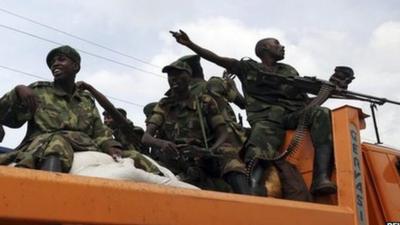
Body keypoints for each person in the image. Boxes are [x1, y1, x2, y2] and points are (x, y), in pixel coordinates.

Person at [170, 30, 341, 196]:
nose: (282, 47)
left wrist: (326, 92)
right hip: (267, 121)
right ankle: (253, 190)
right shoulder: (247, 68)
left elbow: (306, 103)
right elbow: (217, 59)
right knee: (255, 151)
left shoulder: (289, 71)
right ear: (264, 48)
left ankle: (321, 178)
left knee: (321, 113)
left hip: (292, 116)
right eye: (277, 43)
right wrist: (190, 44)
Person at [0, 45, 122, 172]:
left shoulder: (86, 100)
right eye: (53, 62)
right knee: (58, 143)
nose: (55, 64)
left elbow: (99, 132)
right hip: (44, 145)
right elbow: (10, 120)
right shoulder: (38, 91)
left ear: (75, 66)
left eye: (61, 60)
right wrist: (17, 92)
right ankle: (49, 188)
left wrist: (110, 145)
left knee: (135, 157)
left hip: (84, 145)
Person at [142, 60, 252, 194]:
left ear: (189, 77)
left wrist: (209, 151)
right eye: (170, 76)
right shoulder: (164, 105)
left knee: (229, 156)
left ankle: (248, 199)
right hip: (176, 155)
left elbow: (223, 133)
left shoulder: (204, 101)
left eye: (178, 74)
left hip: (203, 152)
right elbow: (146, 137)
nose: (174, 79)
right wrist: (162, 143)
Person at [75, 81, 160, 174]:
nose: (106, 121)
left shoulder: (131, 130)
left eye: (109, 118)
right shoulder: (107, 132)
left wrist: (90, 89)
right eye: (105, 118)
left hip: (139, 162)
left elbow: (111, 109)